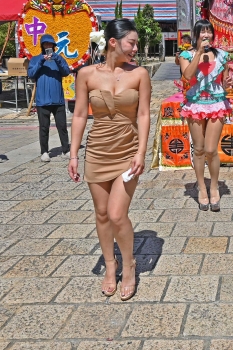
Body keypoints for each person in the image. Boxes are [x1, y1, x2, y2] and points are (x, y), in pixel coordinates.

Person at [68, 19, 151, 301]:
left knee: (117, 214)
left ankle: (129, 266)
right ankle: (110, 264)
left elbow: (144, 114)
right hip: (97, 150)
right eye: (132, 43)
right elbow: (80, 114)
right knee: (102, 213)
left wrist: (141, 152)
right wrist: (74, 154)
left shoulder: (139, 74)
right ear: (113, 42)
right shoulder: (86, 74)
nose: (135, 49)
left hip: (128, 150)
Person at [178, 19, 232, 212]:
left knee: (210, 149)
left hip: (217, 103)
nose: (206, 35)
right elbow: (187, 76)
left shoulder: (222, 55)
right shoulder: (186, 55)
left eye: (209, 31)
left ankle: (214, 186)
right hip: (195, 104)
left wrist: (228, 84)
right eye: (202, 31)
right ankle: (202, 187)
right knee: (199, 149)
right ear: (196, 35)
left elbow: (225, 82)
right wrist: (199, 52)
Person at [28, 34, 72, 162]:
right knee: (44, 127)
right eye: (46, 44)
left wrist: (57, 58)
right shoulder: (35, 59)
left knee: (62, 126)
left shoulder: (59, 58)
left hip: (58, 99)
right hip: (42, 100)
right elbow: (31, 74)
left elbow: (66, 72)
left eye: (50, 44)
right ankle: (44, 152)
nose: (48, 46)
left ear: (53, 46)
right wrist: (42, 61)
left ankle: (66, 150)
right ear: (42, 45)